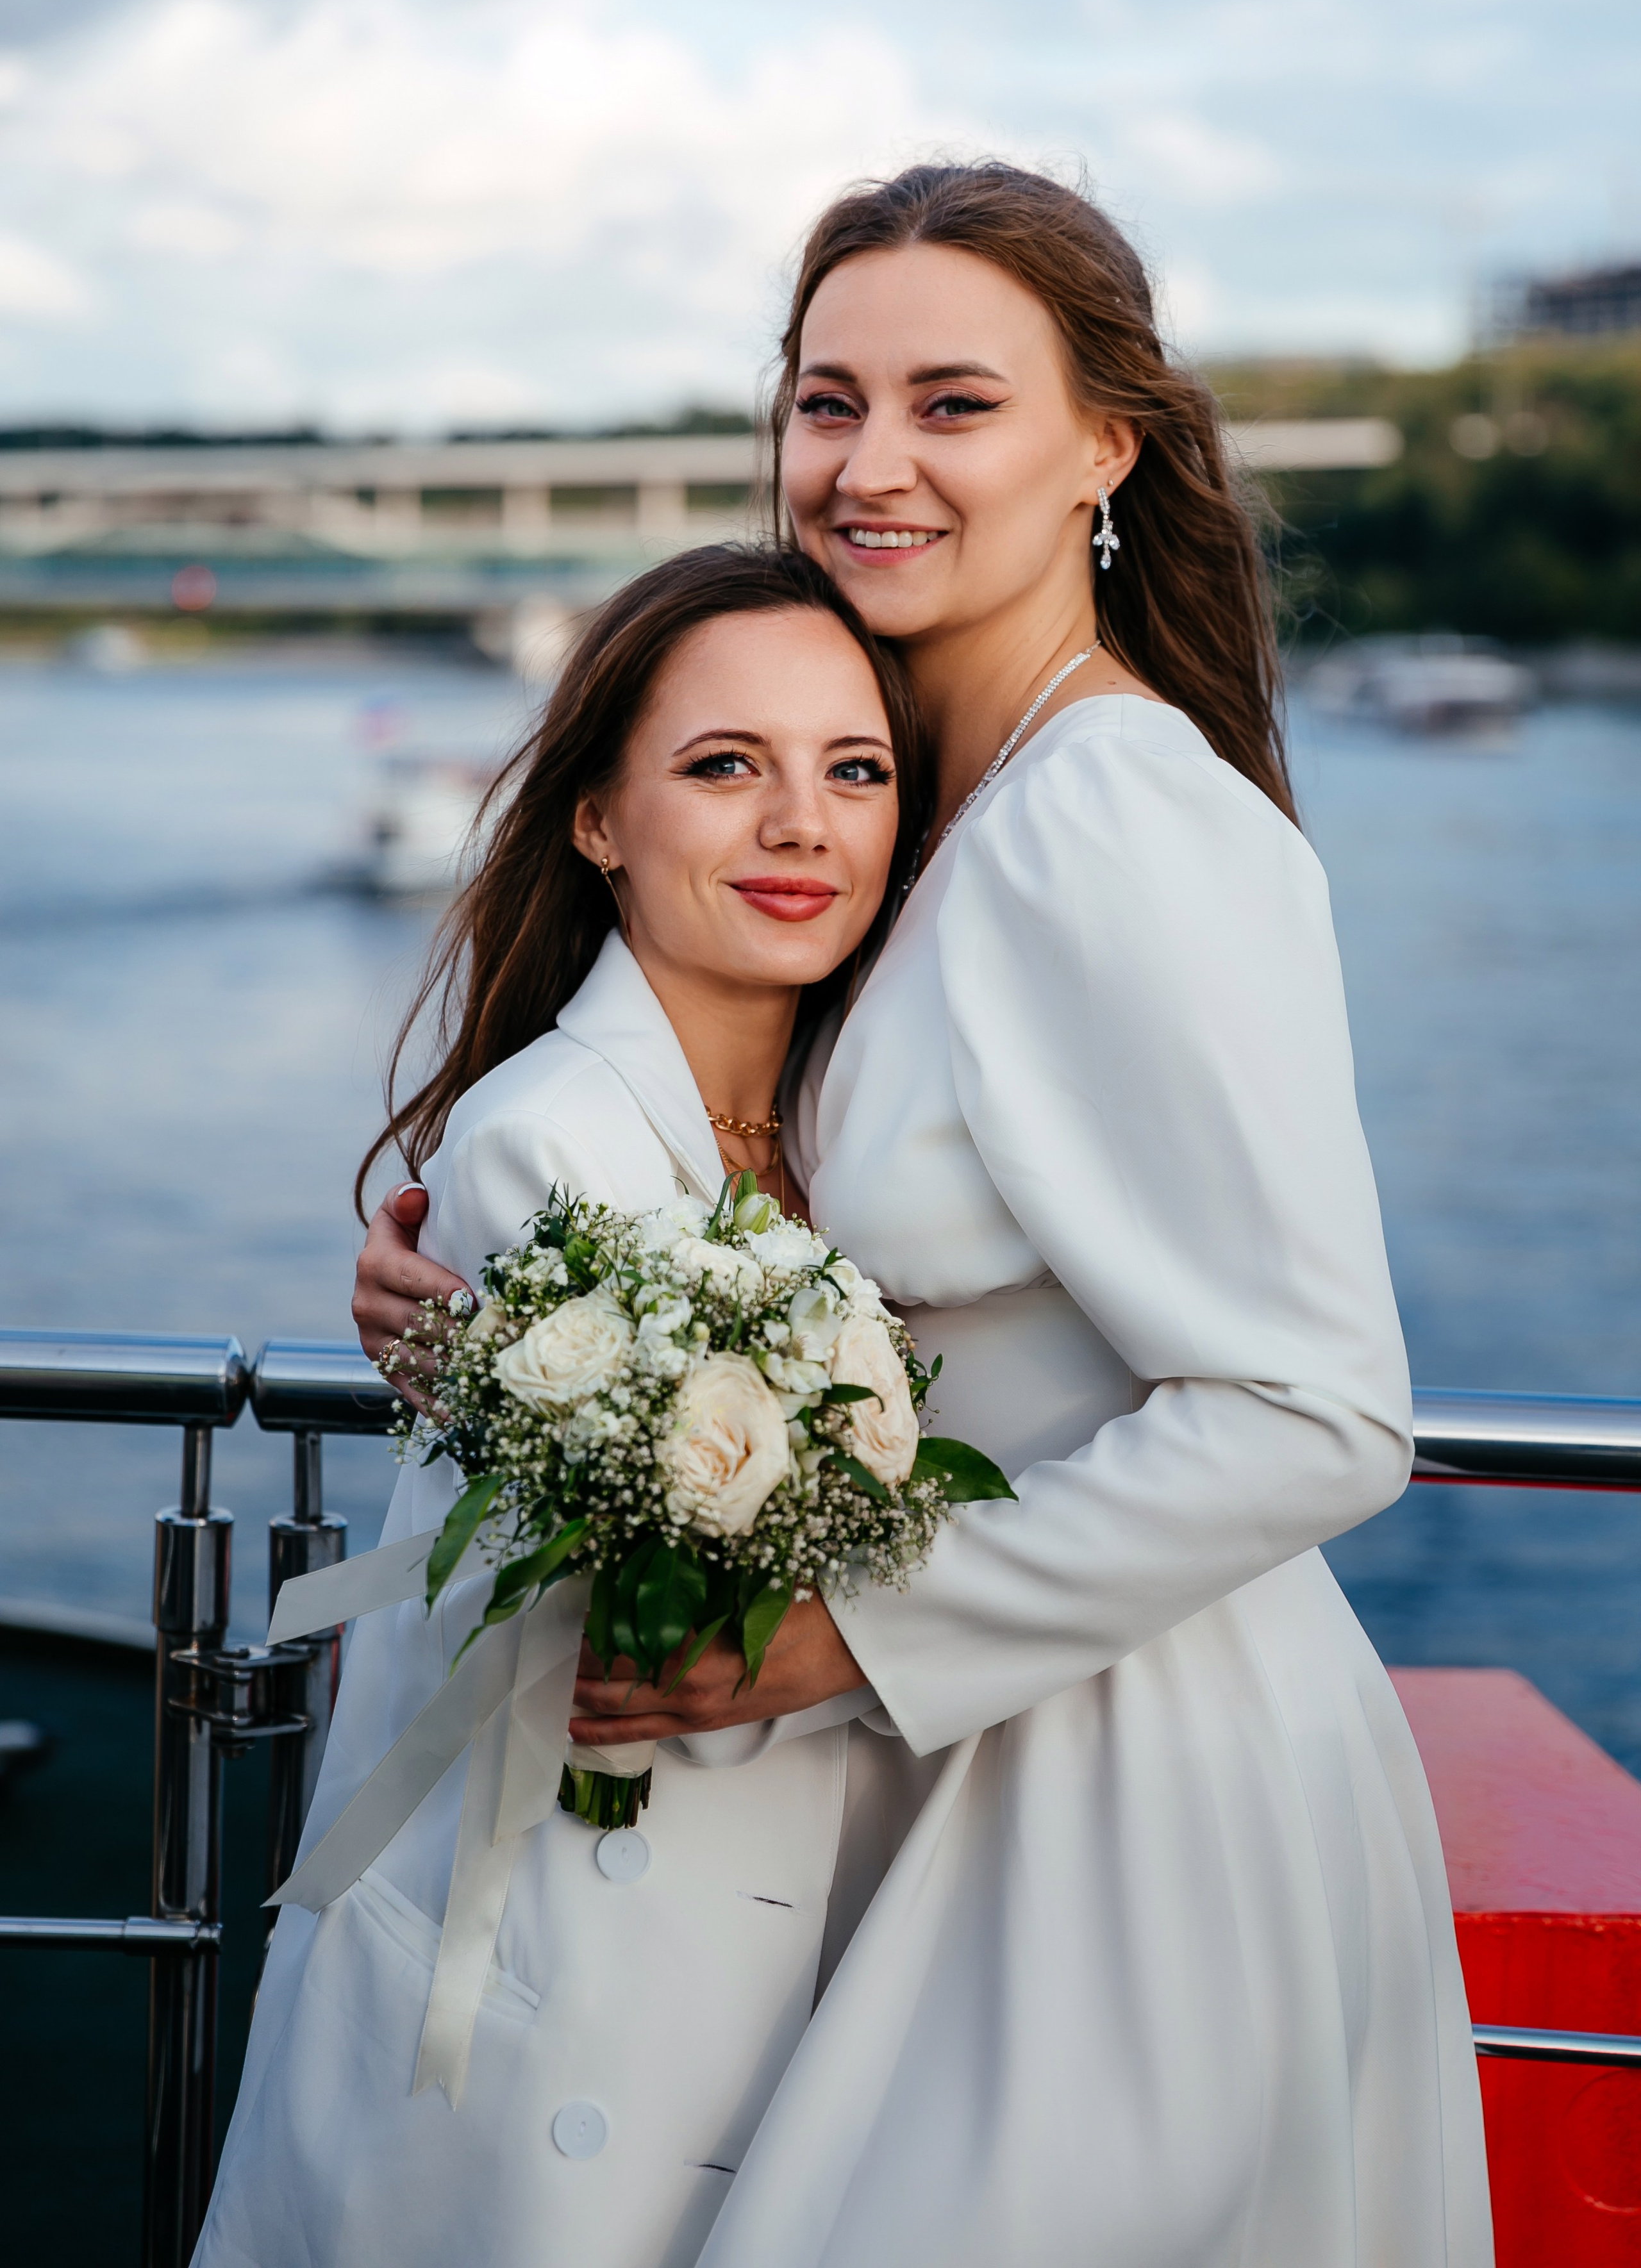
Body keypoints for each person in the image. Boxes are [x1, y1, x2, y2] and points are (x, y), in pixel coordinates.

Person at [354, 163, 1492, 2267]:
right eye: (824, 401)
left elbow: (1319, 1409)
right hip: (973, 1762)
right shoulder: (917, 797)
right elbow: (792, 1208)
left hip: (1130, 1793)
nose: (870, 467)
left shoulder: (1115, 820)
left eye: (953, 406)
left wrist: (832, 1633)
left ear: (1106, 449)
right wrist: (504, 1306)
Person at [192, 544, 928, 2268]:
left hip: (779, 1935)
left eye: (856, 770)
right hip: (576, 1954)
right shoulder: (545, 1142)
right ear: (598, 816)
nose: (802, 825)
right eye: (724, 766)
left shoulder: (860, 1120)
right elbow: (688, 1603)